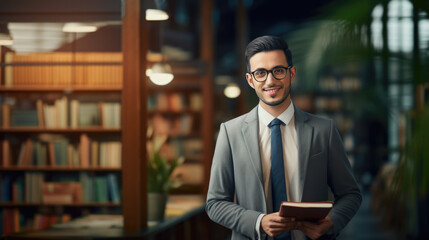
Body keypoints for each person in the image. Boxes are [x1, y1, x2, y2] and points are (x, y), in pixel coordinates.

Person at [206, 36, 362, 240]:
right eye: (260, 73)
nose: (270, 81)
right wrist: (258, 221)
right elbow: (215, 203)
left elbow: (351, 194)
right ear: (250, 80)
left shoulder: (324, 130)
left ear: (292, 73)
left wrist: (332, 222)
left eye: (278, 70)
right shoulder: (230, 132)